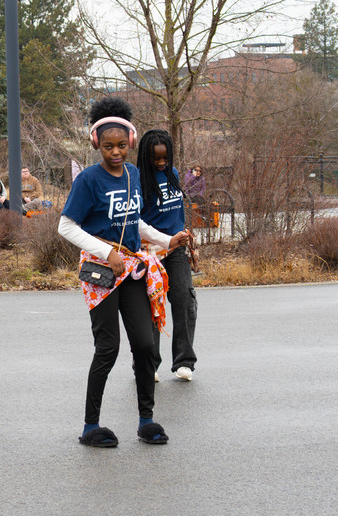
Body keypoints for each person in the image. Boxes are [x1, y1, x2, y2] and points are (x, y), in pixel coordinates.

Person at [57, 97, 188, 448]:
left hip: (131, 270)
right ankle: (90, 426)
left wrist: (167, 239)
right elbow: (66, 226)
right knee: (108, 348)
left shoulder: (132, 175)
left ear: (131, 142)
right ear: (96, 143)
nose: (115, 152)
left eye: (121, 146)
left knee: (145, 345)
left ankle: (146, 420)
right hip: (101, 274)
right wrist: (106, 251)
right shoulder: (88, 180)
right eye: (108, 146)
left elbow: (137, 223)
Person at [137, 129, 198, 382]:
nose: (162, 162)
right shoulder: (137, 179)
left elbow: (176, 211)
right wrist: (159, 240)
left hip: (176, 248)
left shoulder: (172, 173)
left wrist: (182, 237)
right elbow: (135, 220)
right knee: (152, 305)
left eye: (165, 158)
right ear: (146, 155)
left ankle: (184, 362)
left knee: (184, 299)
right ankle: (147, 365)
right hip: (149, 250)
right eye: (156, 158)